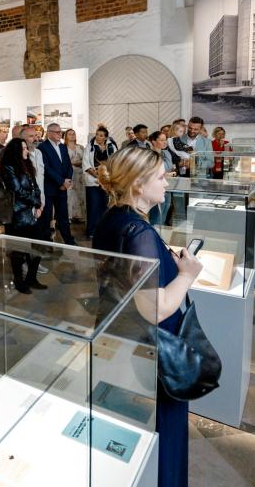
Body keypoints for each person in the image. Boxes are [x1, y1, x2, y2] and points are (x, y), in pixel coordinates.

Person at [92, 146, 203, 487]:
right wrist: (187, 275)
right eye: (161, 177)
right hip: (151, 353)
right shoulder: (138, 231)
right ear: (138, 184)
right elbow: (154, 308)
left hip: (120, 337)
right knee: (160, 433)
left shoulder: (113, 218)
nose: (167, 182)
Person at [0, 137, 46, 293]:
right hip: (18, 215)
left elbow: (35, 186)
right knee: (18, 251)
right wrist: (36, 202)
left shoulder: (26, 164)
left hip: (31, 213)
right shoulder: (8, 167)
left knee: (39, 247)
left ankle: (31, 278)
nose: (27, 150)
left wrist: (38, 203)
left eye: (26, 147)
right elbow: (17, 190)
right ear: (16, 151)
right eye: (24, 148)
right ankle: (19, 281)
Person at [37, 123, 77, 245]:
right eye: (57, 132)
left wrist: (67, 180)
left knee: (63, 215)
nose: (60, 134)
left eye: (61, 132)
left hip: (63, 188)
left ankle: (69, 240)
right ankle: (46, 242)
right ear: (49, 133)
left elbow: (68, 165)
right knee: (46, 216)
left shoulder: (63, 147)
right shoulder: (42, 147)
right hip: (50, 187)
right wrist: (61, 181)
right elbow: (46, 168)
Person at [82, 126, 117, 238]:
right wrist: (98, 176)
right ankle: (91, 231)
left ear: (106, 137)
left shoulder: (112, 146)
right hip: (93, 181)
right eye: (97, 135)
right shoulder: (90, 146)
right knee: (93, 206)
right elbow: (86, 163)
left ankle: (104, 231)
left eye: (101, 135)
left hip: (107, 182)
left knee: (105, 206)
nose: (98, 137)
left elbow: (115, 162)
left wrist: (105, 178)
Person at [148, 131, 176, 226]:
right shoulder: (148, 155)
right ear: (153, 141)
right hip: (155, 188)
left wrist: (170, 173)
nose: (165, 142)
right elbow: (150, 173)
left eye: (165, 140)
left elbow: (170, 167)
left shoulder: (166, 153)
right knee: (156, 215)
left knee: (165, 212)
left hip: (168, 187)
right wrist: (165, 174)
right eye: (162, 140)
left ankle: (161, 233)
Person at [65, 128, 85, 224]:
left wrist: (80, 163)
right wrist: (72, 163)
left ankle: (80, 216)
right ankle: (69, 216)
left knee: (80, 194)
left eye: (73, 133)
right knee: (70, 195)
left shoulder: (80, 147)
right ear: (66, 136)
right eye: (70, 134)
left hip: (80, 173)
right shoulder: (63, 147)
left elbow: (85, 159)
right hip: (69, 173)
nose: (72, 135)